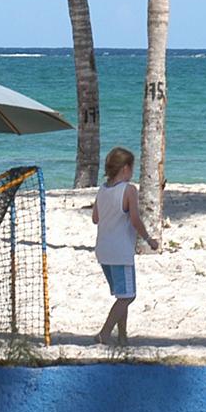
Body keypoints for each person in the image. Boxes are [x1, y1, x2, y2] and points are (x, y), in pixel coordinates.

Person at [92, 146, 159, 346]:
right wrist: (149, 239)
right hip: (120, 251)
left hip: (103, 249)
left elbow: (95, 218)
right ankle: (105, 333)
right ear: (125, 168)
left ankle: (122, 336)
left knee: (122, 294)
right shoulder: (129, 190)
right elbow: (135, 220)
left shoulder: (102, 190)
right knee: (128, 296)